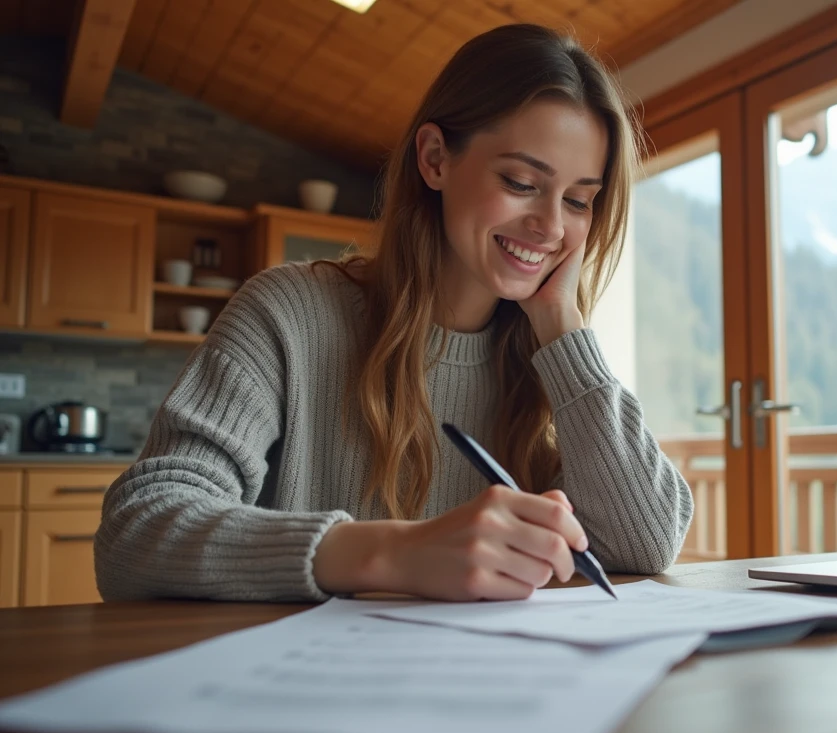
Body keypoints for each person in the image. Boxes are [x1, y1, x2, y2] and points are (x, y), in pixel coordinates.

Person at [95, 24, 694, 603]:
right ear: (435, 158)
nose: (553, 226)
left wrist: (563, 328)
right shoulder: (288, 315)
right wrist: (392, 554)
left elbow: (645, 543)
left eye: (578, 200)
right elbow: (136, 532)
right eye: (519, 181)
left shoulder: (546, 356)